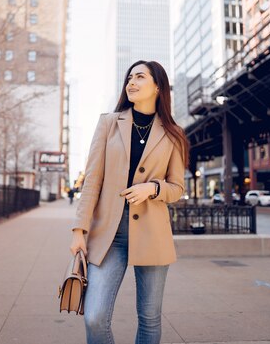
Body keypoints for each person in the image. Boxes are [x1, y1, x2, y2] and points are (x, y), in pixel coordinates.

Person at [69, 60, 189, 344]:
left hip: (152, 232)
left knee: (149, 318)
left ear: (158, 87)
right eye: (129, 78)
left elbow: (177, 188)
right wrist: (79, 230)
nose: (131, 82)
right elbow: (92, 181)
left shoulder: (174, 134)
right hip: (109, 233)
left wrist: (153, 188)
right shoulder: (109, 123)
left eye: (140, 77)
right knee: (95, 317)